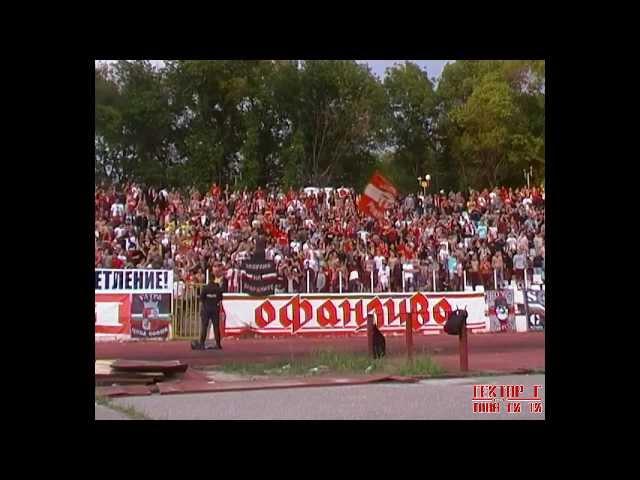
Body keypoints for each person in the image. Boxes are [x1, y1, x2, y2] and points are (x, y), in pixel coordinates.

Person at [196, 272, 225, 350]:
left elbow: (201, 299)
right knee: (216, 327)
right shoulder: (217, 288)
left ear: (208, 279)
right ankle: (218, 344)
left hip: (206, 309)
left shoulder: (205, 288)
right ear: (214, 278)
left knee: (204, 327)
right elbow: (220, 298)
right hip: (215, 309)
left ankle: (202, 344)